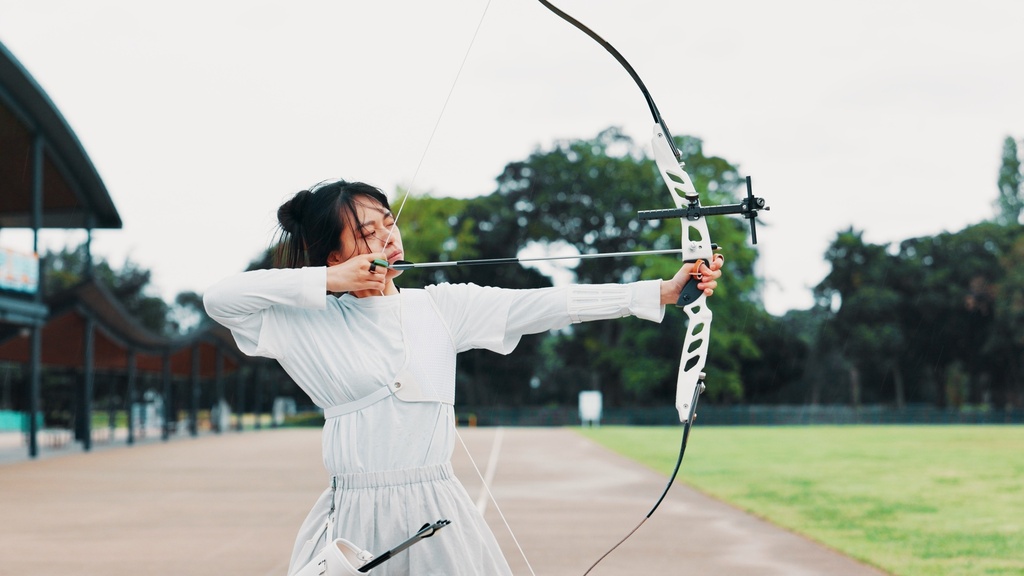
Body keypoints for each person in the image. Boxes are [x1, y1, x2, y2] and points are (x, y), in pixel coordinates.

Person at [203, 178, 724, 576]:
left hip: (437, 511)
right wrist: (328, 281)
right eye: (366, 232)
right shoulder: (309, 322)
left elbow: (548, 304)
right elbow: (220, 299)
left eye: (388, 222)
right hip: (352, 516)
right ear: (336, 255)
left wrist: (661, 291)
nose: (388, 236)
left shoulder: (442, 307)